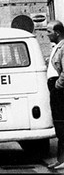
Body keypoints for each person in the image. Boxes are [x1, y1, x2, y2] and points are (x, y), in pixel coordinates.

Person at [47, 20, 64, 170]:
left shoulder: (63, 47)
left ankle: (62, 159)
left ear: (57, 33)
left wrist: (57, 85)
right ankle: (60, 159)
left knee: (61, 124)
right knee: (59, 125)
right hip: (56, 89)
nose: (47, 34)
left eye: (49, 31)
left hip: (60, 90)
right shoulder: (57, 47)